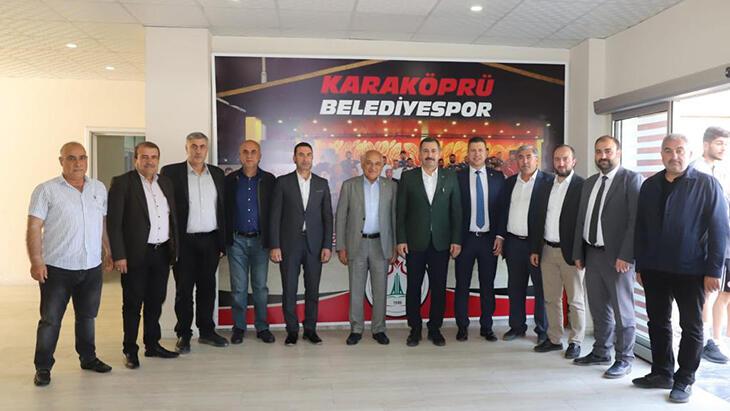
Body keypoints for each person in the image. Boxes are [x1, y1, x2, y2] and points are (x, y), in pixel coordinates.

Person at [633, 134, 728, 403]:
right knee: (657, 322)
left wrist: (714, 271)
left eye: (679, 150)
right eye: (668, 150)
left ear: (690, 153)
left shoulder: (707, 184)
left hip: (691, 269)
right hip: (654, 269)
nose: (674, 156)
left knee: (691, 325)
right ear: (661, 154)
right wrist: (641, 264)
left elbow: (720, 229)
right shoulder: (650, 185)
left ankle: (685, 378)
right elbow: (641, 228)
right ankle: (662, 372)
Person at [27, 142, 113, 386]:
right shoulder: (46, 190)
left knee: (87, 317)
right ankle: (43, 367)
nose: (78, 163)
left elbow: (102, 223)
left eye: (82, 158)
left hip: (91, 266)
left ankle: (88, 358)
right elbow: (34, 227)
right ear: (61, 161)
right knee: (50, 320)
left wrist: (108, 250)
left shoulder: (98, 188)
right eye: (71, 158)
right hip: (57, 269)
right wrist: (36, 261)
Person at [573, 135, 642, 379]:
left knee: (623, 311)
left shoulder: (631, 179)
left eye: (608, 151)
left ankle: (624, 358)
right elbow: (581, 220)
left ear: (618, 152)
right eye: (599, 151)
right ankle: (601, 351)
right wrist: (578, 252)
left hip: (618, 258)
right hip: (592, 254)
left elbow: (635, 221)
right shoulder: (590, 183)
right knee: (598, 307)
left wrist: (627, 255)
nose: (603, 156)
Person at [108, 141, 179, 369]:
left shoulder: (165, 183)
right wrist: (119, 255)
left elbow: (172, 218)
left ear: (158, 159)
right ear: (136, 159)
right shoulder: (122, 183)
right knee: (132, 304)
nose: (150, 161)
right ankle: (130, 349)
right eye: (144, 157)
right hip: (134, 255)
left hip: (161, 253)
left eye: (153, 157)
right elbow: (114, 224)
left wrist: (174, 249)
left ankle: (152, 344)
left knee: (155, 301)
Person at [160, 132, 228, 353]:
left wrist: (221, 244)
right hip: (184, 242)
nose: (198, 151)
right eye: (194, 146)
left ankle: (207, 331)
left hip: (210, 240)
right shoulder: (171, 173)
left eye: (202, 146)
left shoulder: (217, 174)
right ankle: (184, 334)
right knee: (184, 290)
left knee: (208, 289)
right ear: (186, 148)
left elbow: (223, 210)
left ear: (207, 149)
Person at [396, 137, 462, 347]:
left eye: (433, 151)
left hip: (441, 244)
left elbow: (456, 211)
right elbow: (400, 211)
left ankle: (435, 329)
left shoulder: (450, 176)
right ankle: (415, 329)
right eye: (425, 151)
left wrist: (456, 240)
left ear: (439, 154)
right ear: (419, 154)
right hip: (415, 242)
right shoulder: (408, 177)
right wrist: (401, 239)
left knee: (439, 288)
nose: (429, 155)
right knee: (413, 287)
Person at [270, 142, 333, 346]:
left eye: (308, 155)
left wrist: (327, 245)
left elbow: (327, 217)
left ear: (312, 158)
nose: (305, 159)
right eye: (301, 154)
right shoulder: (283, 182)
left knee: (312, 289)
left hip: (315, 244)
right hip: (289, 244)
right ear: (294, 158)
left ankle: (310, 329)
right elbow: (275, 216)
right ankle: (292, 330)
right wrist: (275, 245)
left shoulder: (322, 184)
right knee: (289, 288)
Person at [529, 144, 586, 359]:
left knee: (575, 300)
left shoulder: (582, 186)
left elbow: (583, 223)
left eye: (565, 159)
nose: (560, 163)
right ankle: (554, 339)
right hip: (547, 250)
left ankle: (576, 341)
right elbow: (538, 219)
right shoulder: (546, 185)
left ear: (573, 161)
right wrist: (535, 249)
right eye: (557, 159)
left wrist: (580, 253)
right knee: (551, 299)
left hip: (571, 253)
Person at [336, 150, 397, 346]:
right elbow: (341, 217)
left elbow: (394, 218)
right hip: (357, 244)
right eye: (369, 163)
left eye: (377, 163)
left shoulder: (391, 187)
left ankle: (379, 329)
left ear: (383, 166)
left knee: (380, 290)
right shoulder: (349, 185)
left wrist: (394, 246)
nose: (373, 167)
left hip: (381, 244)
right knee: (356, 289)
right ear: (362, 164)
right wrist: (341, 246)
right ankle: (356, 329)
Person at [224, 140, 276, 344]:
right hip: (236, 241)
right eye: (245, 152)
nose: (249, 155)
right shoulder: (230, 180)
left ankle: (262, 327)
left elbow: (275, 213)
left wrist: (274, 241)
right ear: (239, 155)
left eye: (253, 152)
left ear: (260, 155)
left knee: (260, 287)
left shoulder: (269, 180)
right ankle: (239, 327)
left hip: (260, 241)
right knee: (238, 288)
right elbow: (223, 211)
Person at [454, 137, 506, 342]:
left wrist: (500, 236)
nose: (476, 154)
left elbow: (502, 209)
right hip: (465, 240)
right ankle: (462, 326)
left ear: (486, 152)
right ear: (467, 154)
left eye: (480, 150)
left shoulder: (497, 177)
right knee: (462, 285)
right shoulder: (458, 177)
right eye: (473, 150)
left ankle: (487, 326)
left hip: (488, 240)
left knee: (487, 285)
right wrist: (454, 239)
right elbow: (453, 210)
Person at [500, 145, 553, 344]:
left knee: (540, 289)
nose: (524, 161)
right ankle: (517, 326)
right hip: (513, 243)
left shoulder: (548, 182)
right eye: (520, 157)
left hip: (536, 245)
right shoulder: (510, 182)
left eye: (528, 156)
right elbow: (503, 211)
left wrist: (537, 247)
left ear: (536, 159)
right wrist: (501, 238)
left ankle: (542, 330)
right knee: (515, 288)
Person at [691, 126, 730, 364]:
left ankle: (709, 340)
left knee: (714, 291)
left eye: (725, 144)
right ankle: (704, 341)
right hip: (701, 243)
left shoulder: (722, 171)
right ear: (706, 145)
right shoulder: (696, 170)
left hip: (720, 241)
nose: (724, 148)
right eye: (719, 143)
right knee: (704, 292)